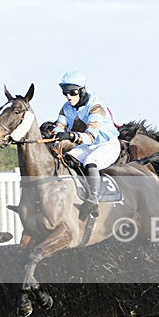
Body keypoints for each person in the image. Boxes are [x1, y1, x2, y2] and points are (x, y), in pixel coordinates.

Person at [49, 70, 121, 218]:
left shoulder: (96, 107)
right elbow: (59, 128)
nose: (69, 97)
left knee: (90, 161)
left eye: (72, 92)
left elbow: (90, 137)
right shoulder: (66, 108)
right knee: (68, 158)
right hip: (89, 146)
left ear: (82, 91)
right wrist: (52, 135)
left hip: (107, 144)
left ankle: (93, 199)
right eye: (65, 93)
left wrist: (70, 135)